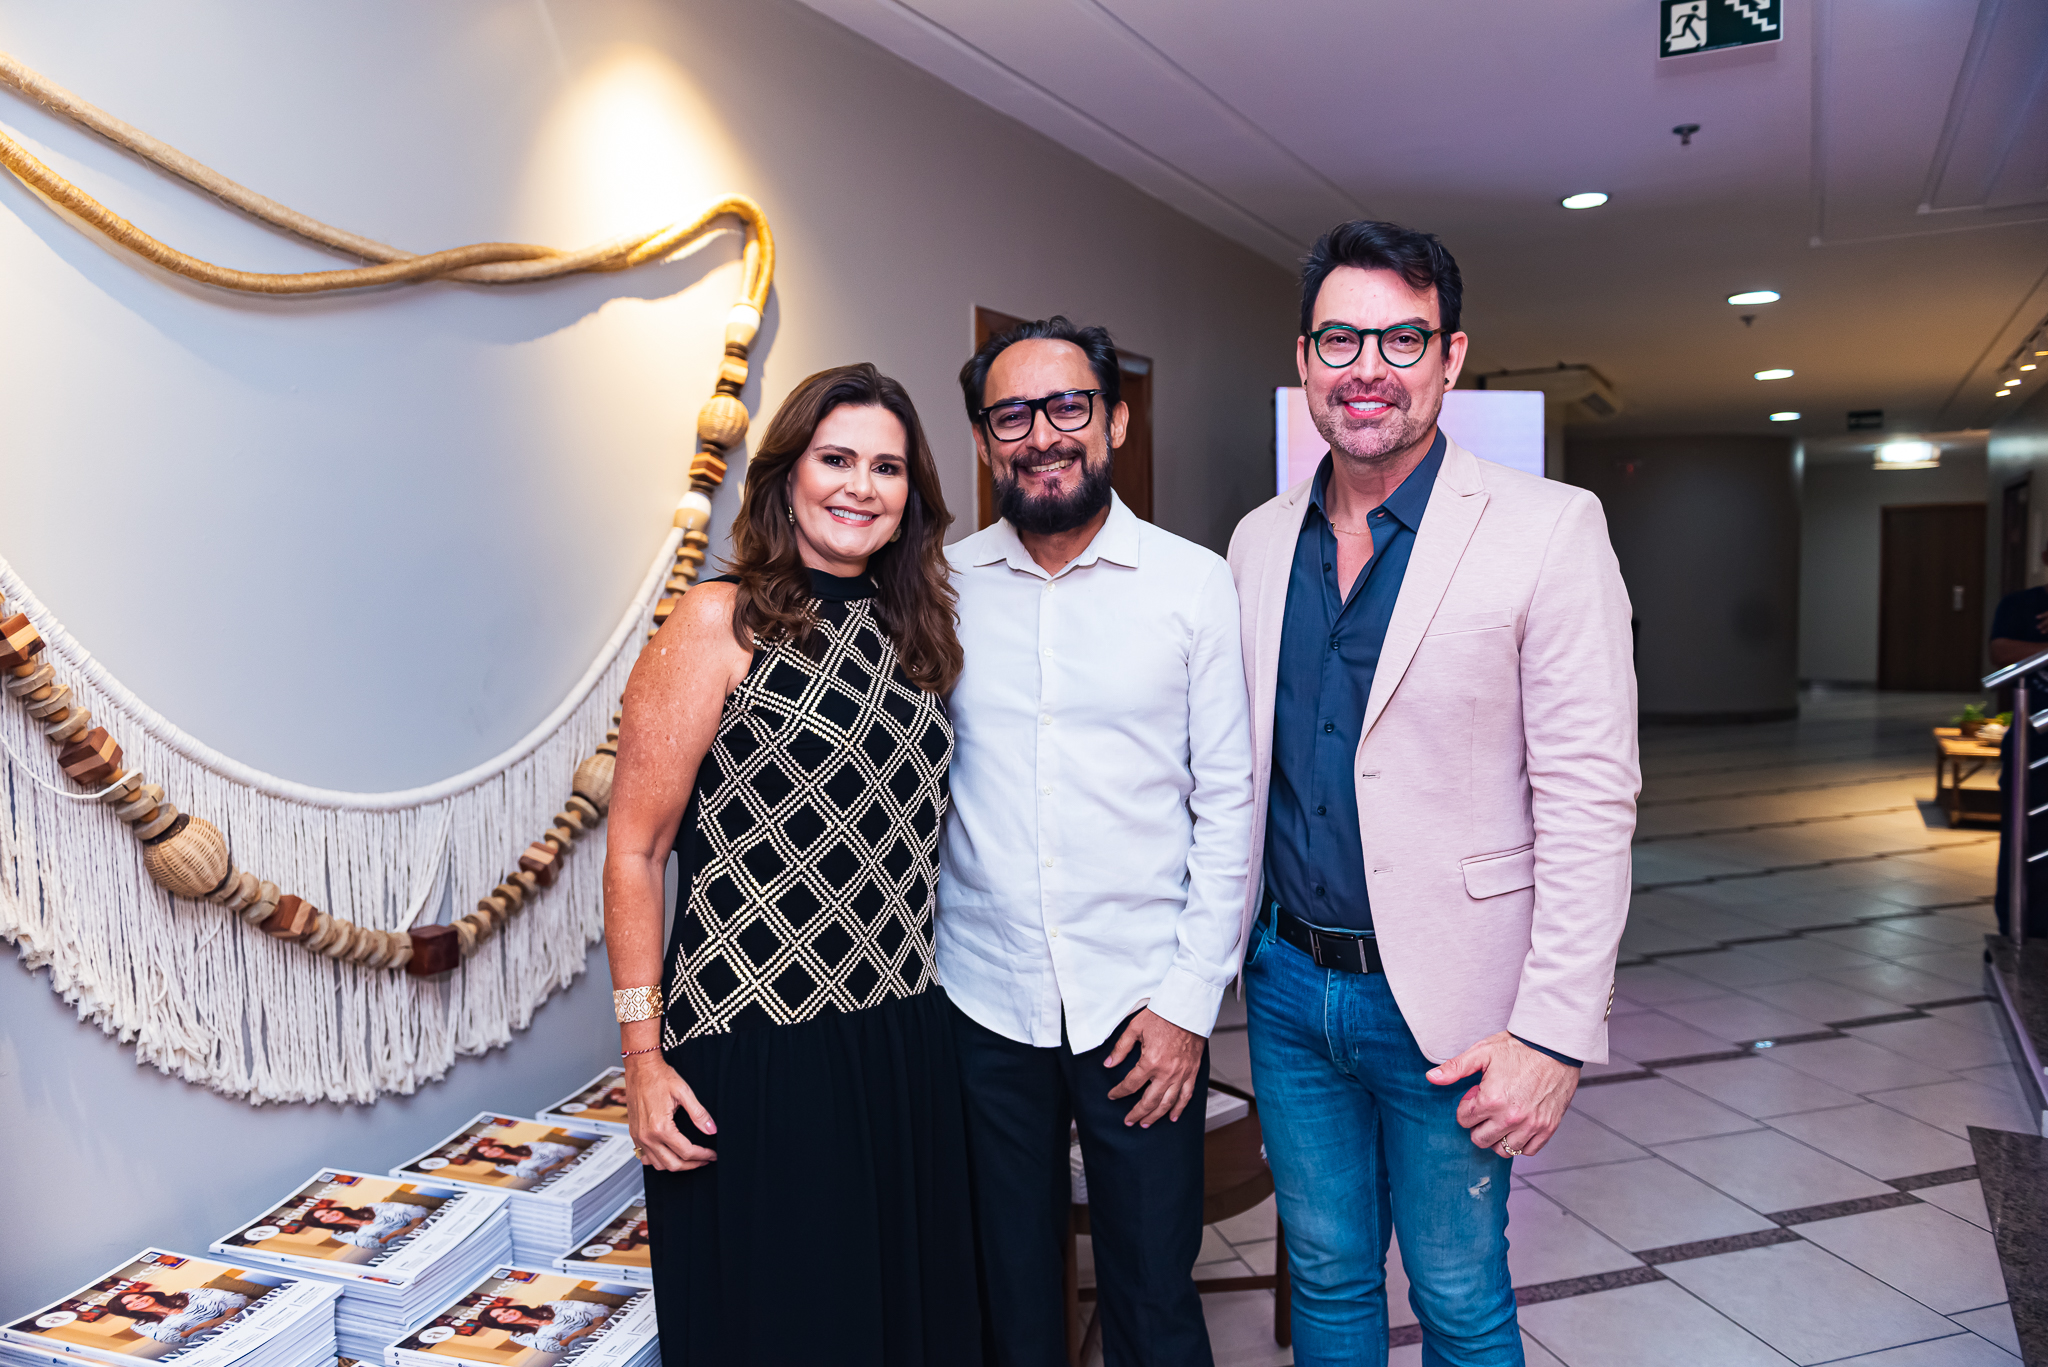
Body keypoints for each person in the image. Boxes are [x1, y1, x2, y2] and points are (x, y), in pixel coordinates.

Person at [1226, 220, 1637, 1364]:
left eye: (1400, 339)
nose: (1367, 368)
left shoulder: (1549, 529)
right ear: (1303, 357)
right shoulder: (1256, 542)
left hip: (1455, 1007)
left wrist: (1552, 1032)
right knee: (1325, 1276)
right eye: (1339, 339)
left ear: (1450, 356)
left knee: (1457, 1295)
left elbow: (1589, 800)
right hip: (1288, 986)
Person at [603, 363, 978, 1365]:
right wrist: (640, 1057)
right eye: (836, 458)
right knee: (790, 1328)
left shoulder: (917, 628)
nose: (860, 485)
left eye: (887, 467)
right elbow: (635, 848)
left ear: (910, 494)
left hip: (899, 1036)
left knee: (899, 1327)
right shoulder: (717, 619)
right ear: (786, 476)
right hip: (759, 1045)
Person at [941, 317, 1254, 1367]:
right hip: (983, 999)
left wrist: (1188, 1003)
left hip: (1140, 1002)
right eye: (1012, 415)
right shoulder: (940, 588)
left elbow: (1231, 804)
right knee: (1008, 1294)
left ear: (1114, 421)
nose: (1042, 435)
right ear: (984, 440)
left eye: (1068, 406)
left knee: (1152, 1293)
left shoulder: (1191, 583)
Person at [1989, 554, 2048, 938]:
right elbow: (2001, 653)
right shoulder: (2018, 605)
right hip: (2031, 745)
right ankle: (2017, 928)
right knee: (2021, 836)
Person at [111, 1288, 248, 1343]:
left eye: (139, 1296)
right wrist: (203, 1325)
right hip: (212, 1339)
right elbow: (172, 1338)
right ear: (126, 1310)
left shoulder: (188, 1293)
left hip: (241, 1319)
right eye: (129, 1303)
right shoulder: (140, 1326)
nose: (139, 1300)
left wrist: (228, 1317)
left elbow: (234, 1297)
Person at [484, 1300, 613, 1354]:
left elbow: (595, 1308)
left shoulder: (550, 1305)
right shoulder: (517, 1337)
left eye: (506, 1310)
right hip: (589, 1346)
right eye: (499, 1316)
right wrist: (580, 1333)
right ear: (498, 1323)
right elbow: (553, 1347)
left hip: (607, 1325)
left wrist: (598, 1325)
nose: (506, 1314)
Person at [307, 1199, 429, 1249]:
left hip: (425, 1226)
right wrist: (397, 1233)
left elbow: (415, 1209)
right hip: (407, 1243)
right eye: (322, 1217)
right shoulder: (339, 1235)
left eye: (328, 1211)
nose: (330, 1215)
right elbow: (373, 1244)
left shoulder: (371, 1207)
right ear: (321, 1223)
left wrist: (415, 1226)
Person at [459, 1138, 580, 1181]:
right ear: (485, 1158)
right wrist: (555, 1167)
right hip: (560, 1176)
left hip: (575, 1162)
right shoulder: (502, 1167)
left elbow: (566, 1149)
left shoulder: (528, 1145)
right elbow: (534, 1176)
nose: (492, 1150)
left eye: (490, 1147)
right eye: (486, 1152)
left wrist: (567, 1160)